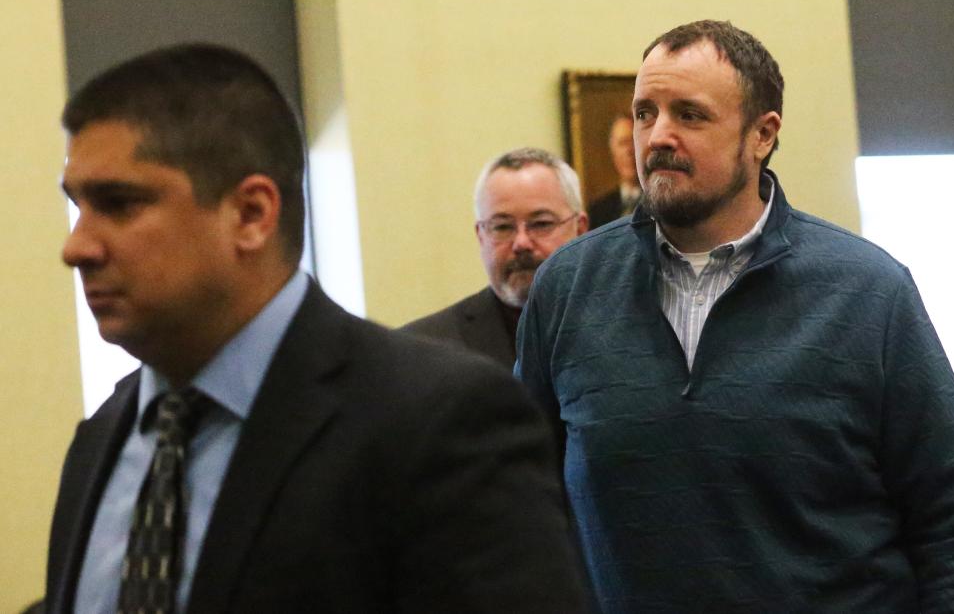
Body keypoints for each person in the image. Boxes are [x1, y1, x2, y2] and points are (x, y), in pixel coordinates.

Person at [46, 44, 590, 614]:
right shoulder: (105, 435)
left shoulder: (435, 422)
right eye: (77, 206)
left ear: (252, 214)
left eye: (119, 204)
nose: (77, 246)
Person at [516, 20, 954, 612]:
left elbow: (947, 516)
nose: (657, 137)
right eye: (645, 112)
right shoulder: (568, 287)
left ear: (762, 134)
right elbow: (521, 504)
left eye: (690, 115)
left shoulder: (868, 291)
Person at [403, 148, 587, 369]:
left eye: (541, 224)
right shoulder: (424, 349)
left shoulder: (628, 322)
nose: (521, 243)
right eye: (502, 227)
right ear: (481, 237)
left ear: (581, 230)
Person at [586, 114, 640, 227]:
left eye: (634, 141)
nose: (629, 151)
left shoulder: (661, 206)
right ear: (612, 151)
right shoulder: (598, 212)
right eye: (623, 143)